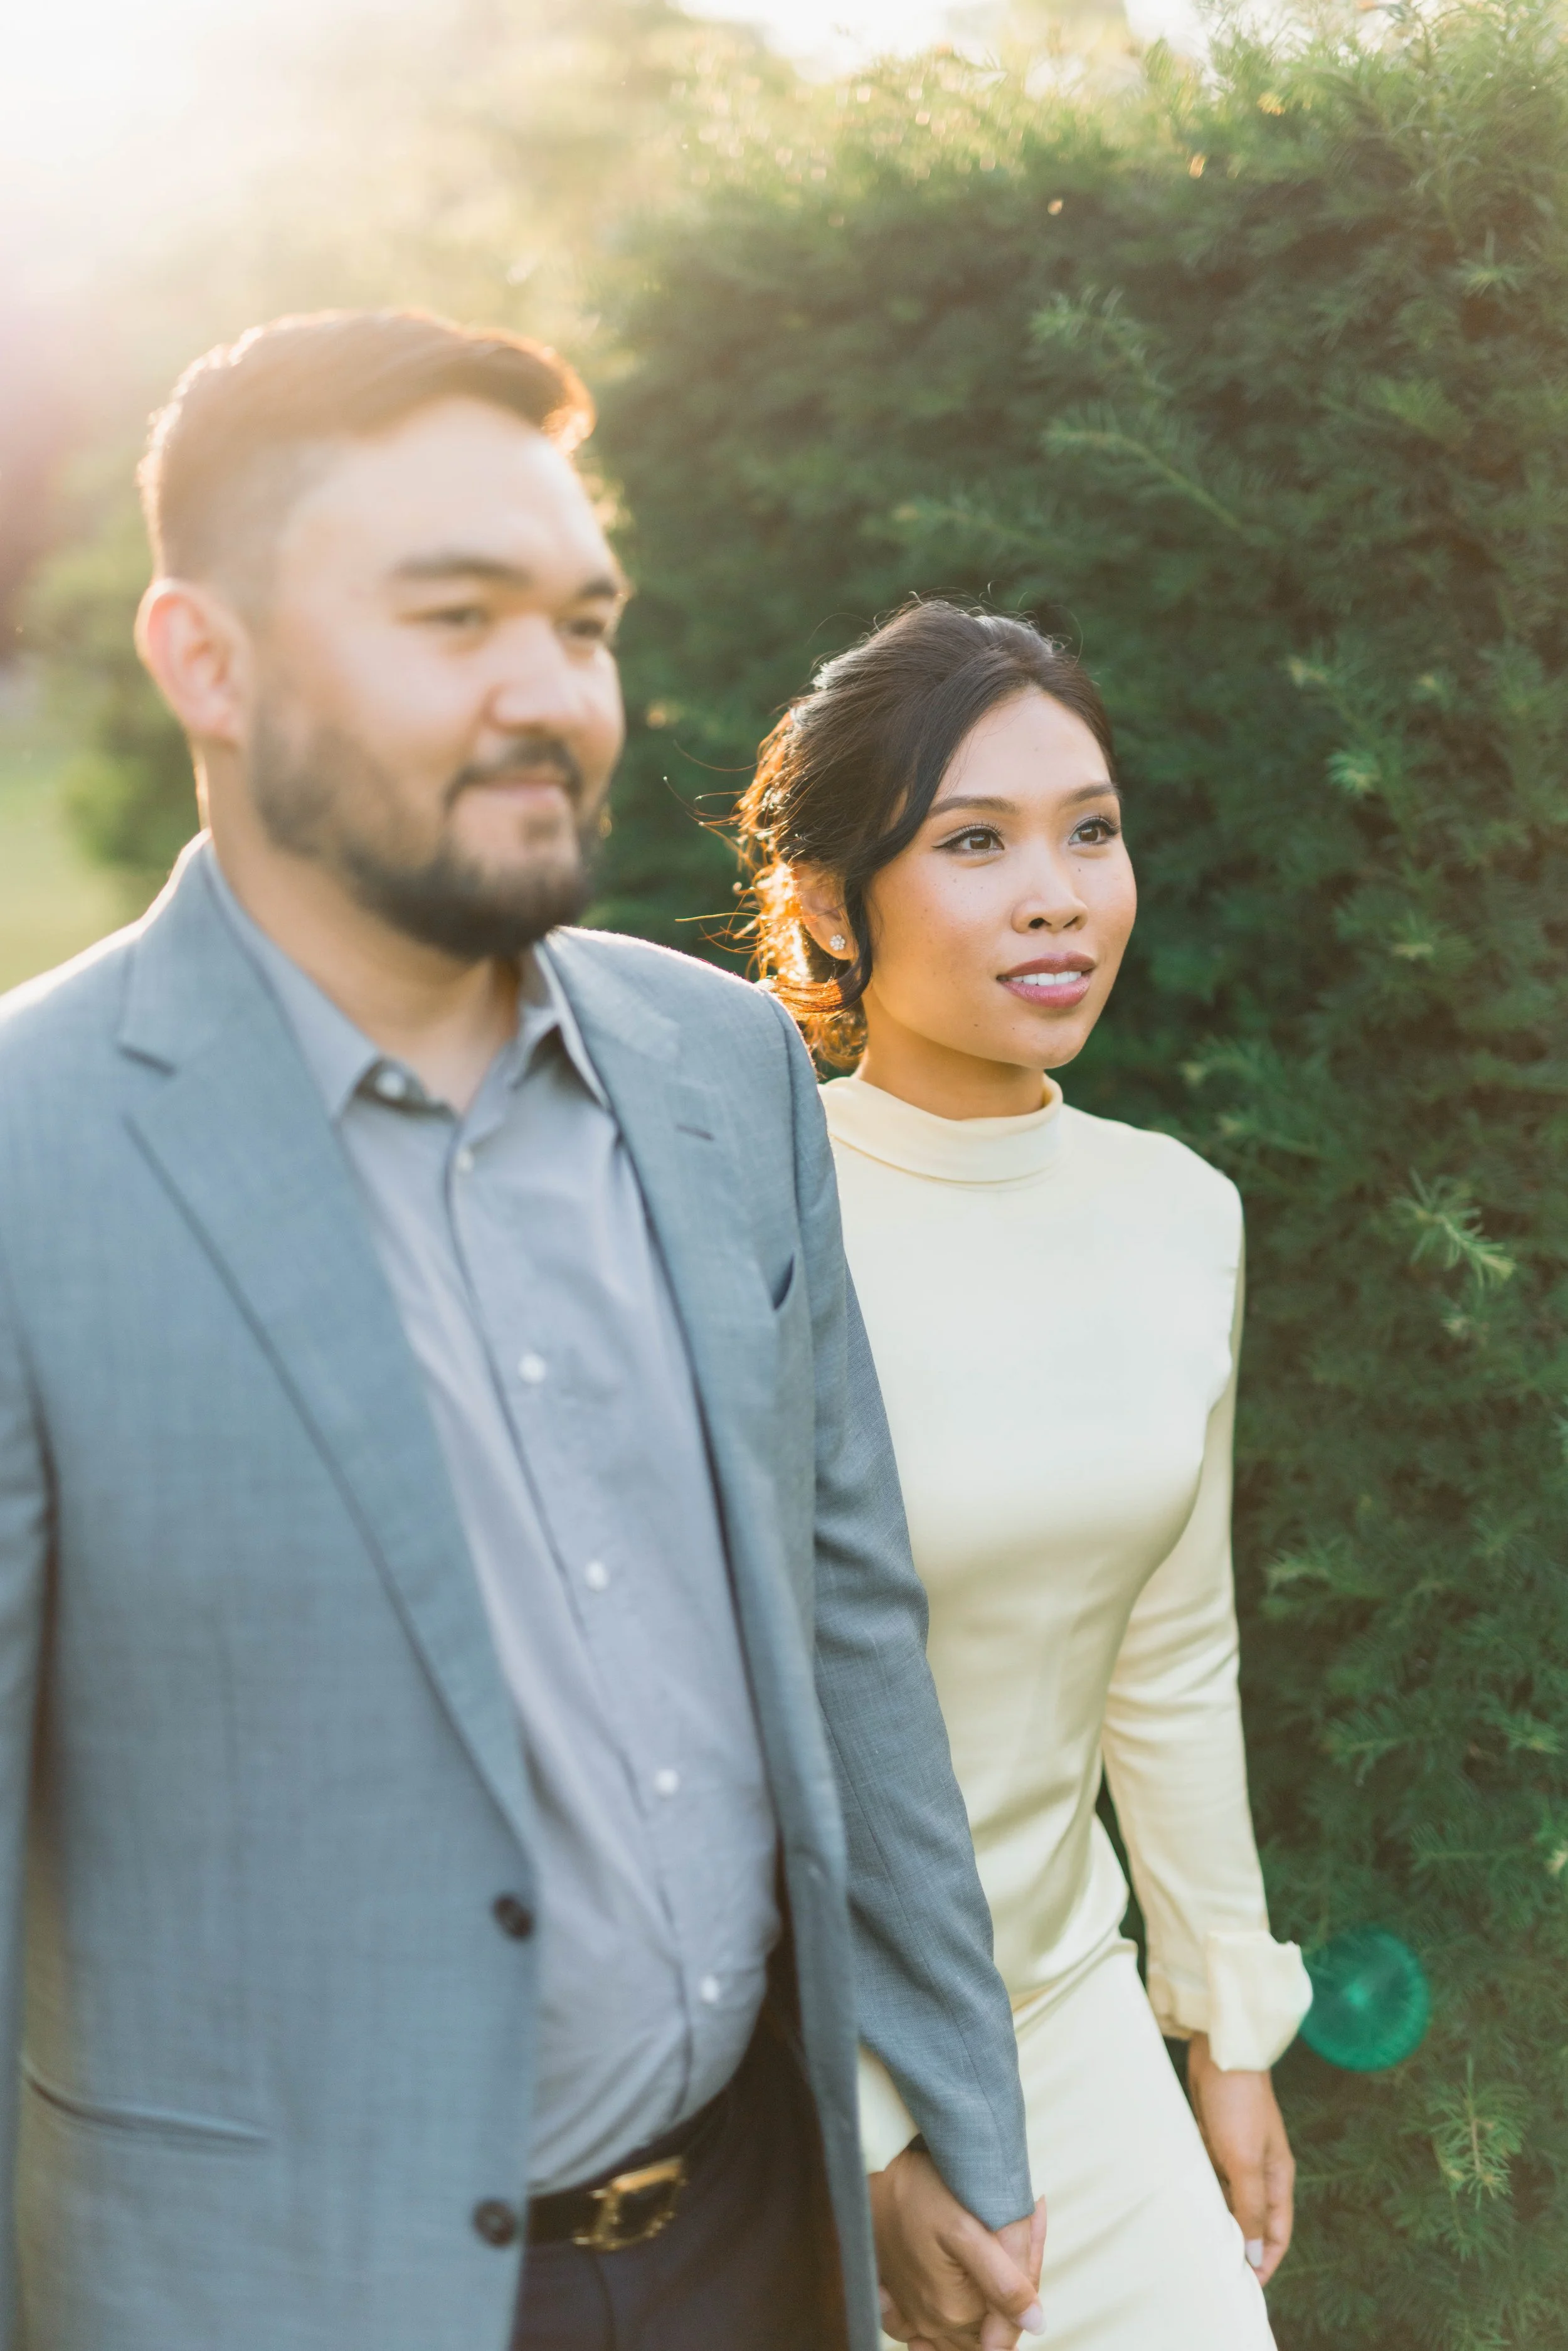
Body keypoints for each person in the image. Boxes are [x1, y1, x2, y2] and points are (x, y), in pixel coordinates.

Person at [0, 317, 1046, 2351]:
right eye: (453, 615)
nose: (550, 695)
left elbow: (845, 1625)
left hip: (758, 2242)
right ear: (205, 658)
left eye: (581, 621)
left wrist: (953, 2119)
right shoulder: (28, 1159)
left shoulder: (723, 1067)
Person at [736, 598, 1315, 2351]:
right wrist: (873, 2131)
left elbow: (1166, 1657)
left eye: (1089, 828)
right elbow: (709, 1716)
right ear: (832, 902)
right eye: (972, 842)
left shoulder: (1174, 1209)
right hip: (790, 2062)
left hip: (1063, 2019)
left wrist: (1222, 2035)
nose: (1057, 891)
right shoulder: (757, 1213)